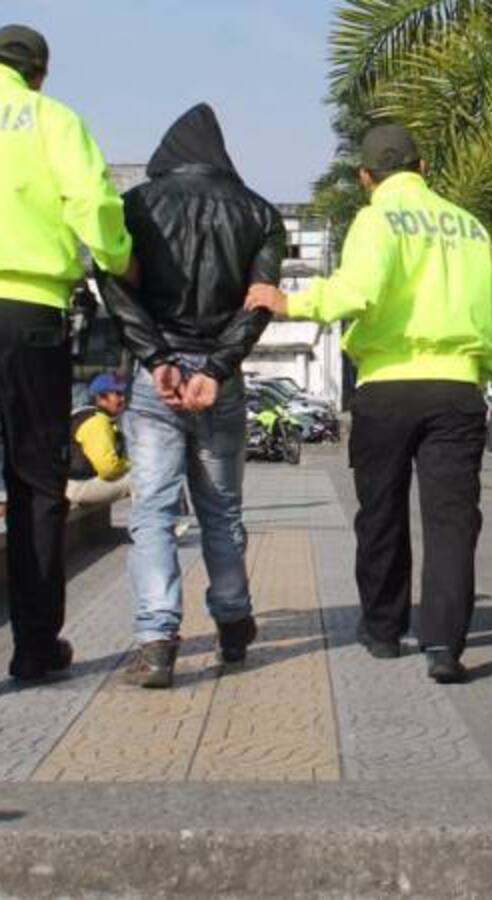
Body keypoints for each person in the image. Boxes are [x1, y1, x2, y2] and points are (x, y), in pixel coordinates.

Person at [245, 124, 492, 684]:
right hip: (457, 385)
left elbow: (354, 291)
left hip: (387, 385)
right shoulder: (469, 226)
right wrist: (482, 373)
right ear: (424, 167)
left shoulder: (376, 218)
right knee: (452, 521)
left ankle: (385, 630)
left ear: (366, 177)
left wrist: (287, 301)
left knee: (382, 512)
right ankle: (443, 645)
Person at [100, 103, 285, 689]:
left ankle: (156, 642)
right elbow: (260, 299)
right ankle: (232, 623)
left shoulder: (136, 206)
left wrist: (157, 359)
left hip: (159, 381)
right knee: (222, 510)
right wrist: (220, 367)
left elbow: (112, 282)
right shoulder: (258, 212)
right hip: (220, 381)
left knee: (153, 512)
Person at [0, 25, 136, 682]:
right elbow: (94, 202)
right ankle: (34, 649)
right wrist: (118, 259)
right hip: (30, 316)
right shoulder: (52, 120)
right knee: (35, 483)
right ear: (40, 74)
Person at [66, 373, 132, 506]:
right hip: (79, 487)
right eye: (117, 394)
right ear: (100, 397)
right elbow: (108, 470)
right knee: (144, 478)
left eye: (124, 393)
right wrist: (131, 465)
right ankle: (149, 525)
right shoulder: (96, 421)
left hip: (69, 484)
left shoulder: (80, 415)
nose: (123, 399)